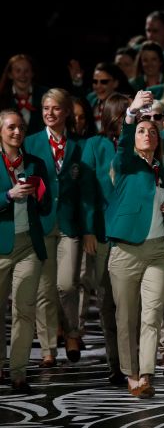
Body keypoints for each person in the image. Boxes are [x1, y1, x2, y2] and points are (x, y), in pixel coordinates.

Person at [106, 93, 164, 398]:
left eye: (151, 131)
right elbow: (122, 144)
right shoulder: (125, 163)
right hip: (126, 250)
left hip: (158, 250)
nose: (147, 134)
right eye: (140, 130)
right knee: (126, 318)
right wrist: (130, 114)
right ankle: (131, 373)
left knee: (152, 315)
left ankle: (146, 374)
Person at [24, 89, 89, 367]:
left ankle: (72, 332)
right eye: (45, 108)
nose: (50, 113)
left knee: (67, 284)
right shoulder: (31, 143)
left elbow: (84, 190)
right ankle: (49, 347)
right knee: (44, 289)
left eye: (55, 108)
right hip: (41, 222)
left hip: (69, 223)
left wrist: (87, 229)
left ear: (66, 112)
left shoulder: (78, 146)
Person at [0, 109, 52, 393]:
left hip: (28, 246)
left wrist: (40, 195)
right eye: (11, 128)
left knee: (24, 308)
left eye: (20, 127)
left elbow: (45, 206)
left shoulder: (35, 163)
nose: (17, 132)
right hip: (1, 245)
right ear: (0, 131)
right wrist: (9, 195)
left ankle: (18, 371)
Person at [80, 93, 129, 384]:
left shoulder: (139, 142)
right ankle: (116, 364)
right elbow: (87, 191)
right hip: (102, 234)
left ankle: (136, 359)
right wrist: (88, 229)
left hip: (134, 233)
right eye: (124, 114)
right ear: (112, 115)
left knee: (132, 302)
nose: (129, 120)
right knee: (107, 300)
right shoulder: (95, 145)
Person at [0, 54, 46, 134]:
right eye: (18, 71)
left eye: (26, 71)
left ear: (32, 73)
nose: (23, 75)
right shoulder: (1, 97)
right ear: (10, 74)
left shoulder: (45, 95)